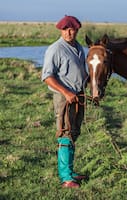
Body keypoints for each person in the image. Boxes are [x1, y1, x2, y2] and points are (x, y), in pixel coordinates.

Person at [41, 15, 88, 188]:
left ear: (77, 30)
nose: (69, 32)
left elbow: (82, 72)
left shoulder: (79, 48)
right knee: (65, 133)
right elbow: (47, 76)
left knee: (74, 132)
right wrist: (66, 92)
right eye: (65, 29)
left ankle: (71, 171)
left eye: (72, 29)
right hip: (64, 97)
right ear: (61, 30)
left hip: (78, 95)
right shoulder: (55, 49)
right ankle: (66, 178)